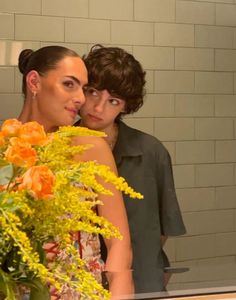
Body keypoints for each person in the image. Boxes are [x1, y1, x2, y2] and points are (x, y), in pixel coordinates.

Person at [17, 45, 134, 298]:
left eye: (83, 88)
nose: (81, 98)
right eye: (69, 85)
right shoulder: (7, 147)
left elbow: (119, 244)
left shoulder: (89, 146)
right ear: (34, 82)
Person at [76, 44, 186, 294]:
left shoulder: (150, 151)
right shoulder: (57, 145)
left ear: (125, 106)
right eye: (93, 93)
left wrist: (145, 267)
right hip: (78, 283)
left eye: (112, 100)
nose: (98, 108)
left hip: (141, 282)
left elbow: (163, 228)